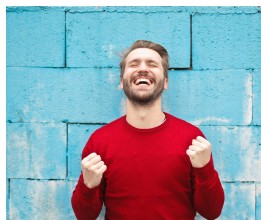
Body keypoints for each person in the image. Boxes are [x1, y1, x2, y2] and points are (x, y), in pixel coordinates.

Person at [71, 40, 225, 220]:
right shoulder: (100, 141)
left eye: (152, 64)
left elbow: (211, 212)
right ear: (122, 82)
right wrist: (88, 187)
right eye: (134, 64)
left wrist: (204, 170)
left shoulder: (192, 139)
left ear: (165, 82)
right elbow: (84, 216)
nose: (143, 69)